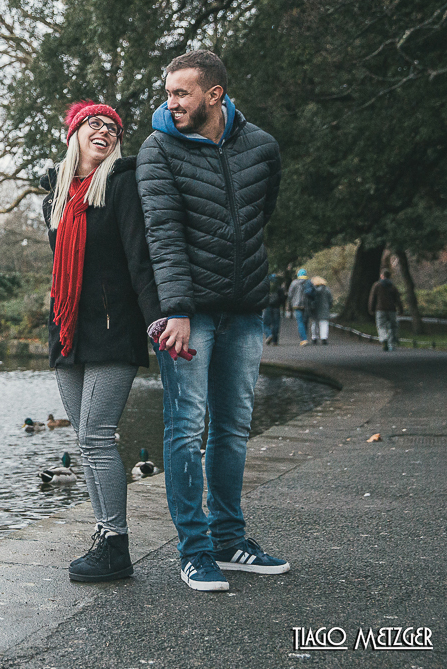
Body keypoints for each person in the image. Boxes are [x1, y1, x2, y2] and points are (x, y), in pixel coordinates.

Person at [136, 50, 289, 592]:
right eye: (168, 92)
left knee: (232, 427)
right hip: (189, 316)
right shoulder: (158, 150)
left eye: (181, 93)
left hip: (246, 310)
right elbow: (163, 234)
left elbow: (258, 214)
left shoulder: (262, 147)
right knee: (184, 428)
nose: (170, 102)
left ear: (214, 95)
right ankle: (194, 550)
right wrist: (175, 309)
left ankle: (229, 540)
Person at [42, 100, 162, 583]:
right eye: (95, 123)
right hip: (67, 329)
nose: (106, 131)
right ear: (74, 134)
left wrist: (159, 321)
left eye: (113, 128)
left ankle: (115, 544)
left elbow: (141, 260)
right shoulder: (56, 195)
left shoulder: (122, 186)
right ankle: (104, 536)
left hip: (113, 329)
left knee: (95, 436)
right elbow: (60, 270)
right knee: (83, 439)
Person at [368, 269, 404, 351]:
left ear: (382, 276)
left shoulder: (377, 285)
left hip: (380, 309)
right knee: (393, 326)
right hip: (392, 309)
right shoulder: (393, 286)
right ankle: (391, 343)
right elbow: (397, 299)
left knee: (381, 326)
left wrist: (371, 308)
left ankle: (384, 339)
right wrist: (401, 309)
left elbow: (372, 298)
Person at [286, 269, 315, 346]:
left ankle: (303, 339)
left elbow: (290, 294)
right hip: (306, 305)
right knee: (305, 321)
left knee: (300, 322)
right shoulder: (309, 282)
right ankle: (305, 337)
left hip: (297, 305)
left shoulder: (294, 283)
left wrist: (290, 303)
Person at [262, 273, 286, 345]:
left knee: (265, 323)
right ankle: (275, 340)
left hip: (268, 306)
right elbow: (282, 298)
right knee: (276, 323)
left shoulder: (266, 286)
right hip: (276, 307)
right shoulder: (279, 288)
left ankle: (269, 334)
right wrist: (282, 305)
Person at [309, 276, 333, 344]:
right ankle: (324, 338)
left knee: (314, 323)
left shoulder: (313, 290)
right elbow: (330, 299)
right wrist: (329, 305)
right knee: (324, 323)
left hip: (315, 308)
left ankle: (314, 337)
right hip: (324, 308)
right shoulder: (326, 289)